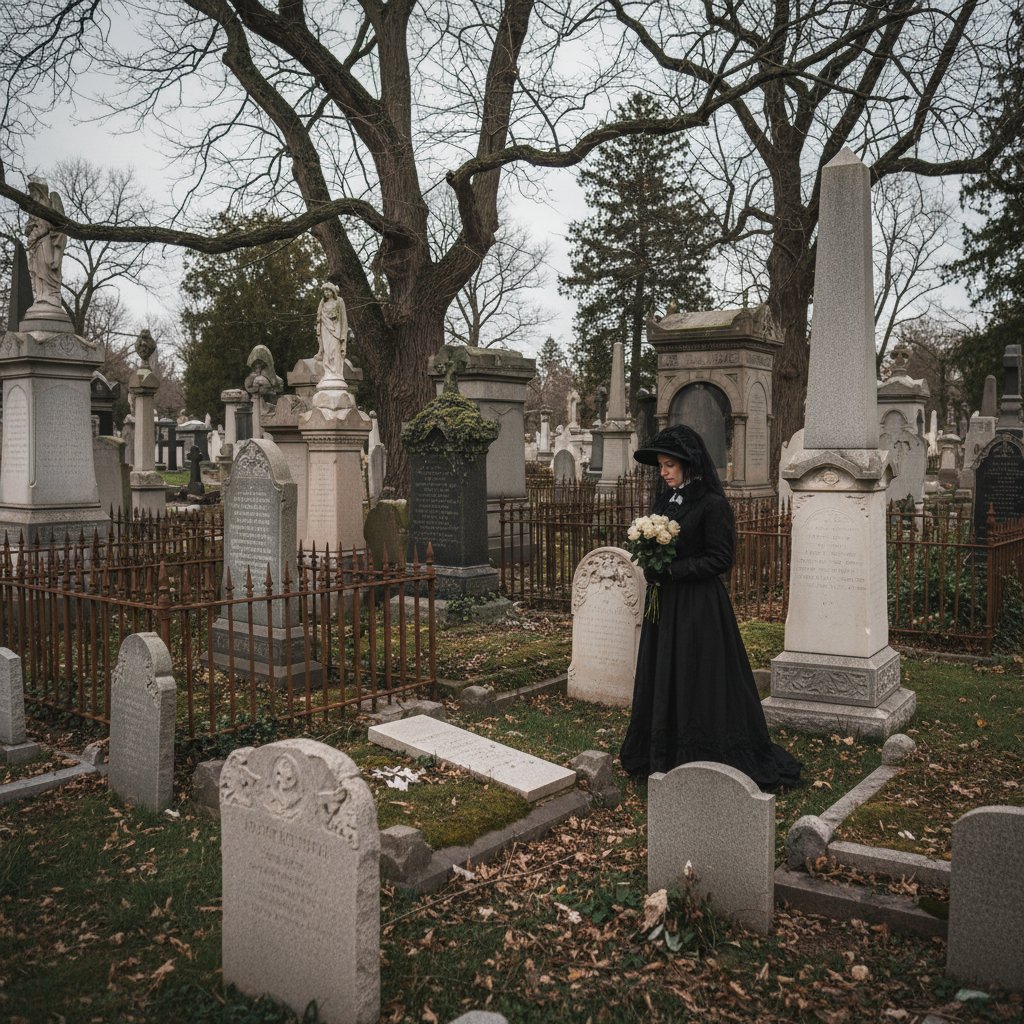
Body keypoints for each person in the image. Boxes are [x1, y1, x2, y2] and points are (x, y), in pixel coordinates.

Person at [620, 423, 801, 791]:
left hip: (698, 608)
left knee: (695, 675)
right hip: (665, 605)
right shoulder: (664, 502)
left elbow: (721, 558)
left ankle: (700, 756)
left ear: (689, 463)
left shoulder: (712, 505)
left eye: (670, 465)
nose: (665, 472)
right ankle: (662, 755)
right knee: (664, 671)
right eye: (661, 466)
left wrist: (671, 569)